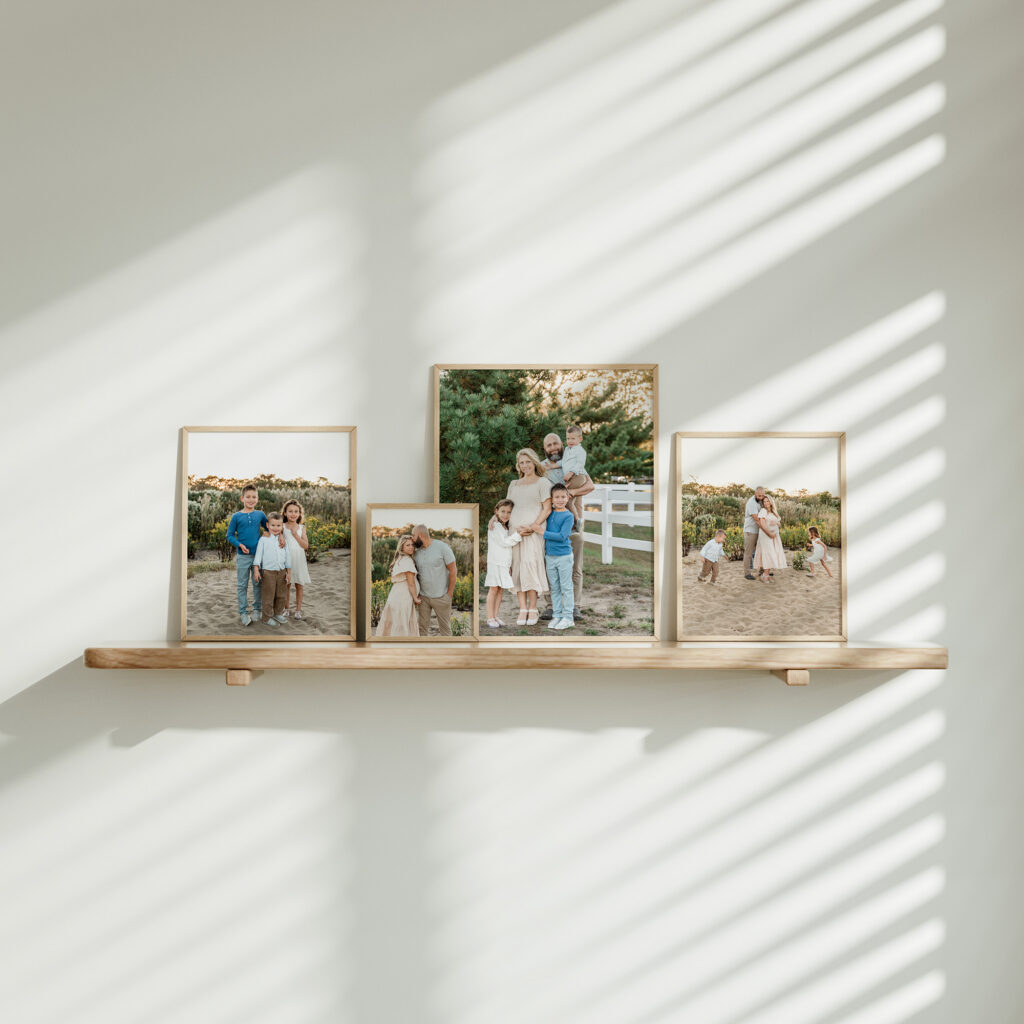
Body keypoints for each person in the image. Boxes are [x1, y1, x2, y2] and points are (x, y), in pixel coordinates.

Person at [540, 432, 595, 619]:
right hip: (550, 525)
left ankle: (575, 606)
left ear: (562, 444)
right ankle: (550, 605)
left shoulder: (573, 462)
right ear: (544, 449)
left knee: (575, 567)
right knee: (549, 565)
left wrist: (571, 492)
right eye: (549, 445)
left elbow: (590, 486)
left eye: (556, 443)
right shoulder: (542, 467)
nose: (553, 448)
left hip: (574, 523)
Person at [507, 448, 553, 626]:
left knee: (530, 566)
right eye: (521, 463)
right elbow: (507, 507)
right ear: (518, 466)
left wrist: (533, 527)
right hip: (515, 533)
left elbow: (546, 509)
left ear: (534, 462)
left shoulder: (542, 483)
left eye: (528, 462)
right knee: (517, 567)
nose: (525, 465)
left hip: (533, 532)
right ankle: (522, 609)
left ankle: (533, 608)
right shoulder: (514, 484)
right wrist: (496, 519)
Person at [227, 482, 269, 626]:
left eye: (254, 497)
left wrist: (279, 536)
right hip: (243, 557)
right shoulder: (236, 516)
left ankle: (257, 609)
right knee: (242, 585)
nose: (251, 500)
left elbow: (270, 528)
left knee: (258, 583)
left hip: (258, 557)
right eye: (248, 497)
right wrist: (239, 544)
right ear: (242, 499)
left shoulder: (260, 514)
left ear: (257, 499)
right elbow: (230, 535)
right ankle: (244, 612)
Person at [412, 524, 457, 636]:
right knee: (422, 629)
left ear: (420, 535)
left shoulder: (442, 547)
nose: (412, 539)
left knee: (445, 630)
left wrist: (449, 594)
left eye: (413, 535)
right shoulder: (416, 552)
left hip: (441, 596)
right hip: (424, 598)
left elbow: (453, 570)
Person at [485, 499, 522, 628]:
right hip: (495, 562)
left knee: (500, 590)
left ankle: (495, 615)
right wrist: (519, 534)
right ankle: (490, 617)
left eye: (509, 512)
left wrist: (509, 565)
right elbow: (504, 542)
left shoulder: (505, 526)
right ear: (496, 511)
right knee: (494, 588)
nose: (505, 515)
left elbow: (507, 549)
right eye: (502, 511)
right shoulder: (495, 525)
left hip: (504, 563)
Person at [544, 483, 576, 630]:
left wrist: (541, 532)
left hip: (564, 556)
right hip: (550, 557)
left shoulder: (568, 516)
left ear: (568, 497)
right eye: (557, 497)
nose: (560, 499)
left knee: (566, 587)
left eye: (563, 496)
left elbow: (562, 536)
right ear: (551, 499)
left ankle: (568, 617)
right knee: (555, 588)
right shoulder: (548, 513)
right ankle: (557, 615)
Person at [376, 535, 421, 636]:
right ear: (402, 547)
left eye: (412, 545)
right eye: (407, 545)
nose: (411, 547)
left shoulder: (400, 559)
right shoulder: (407, 561)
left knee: (395, 623)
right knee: (402, 624)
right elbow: (411, 583)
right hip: (403, 597)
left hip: (395, 595)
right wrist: (415, 598)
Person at [253, 513, 292, 624]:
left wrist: (288, 572)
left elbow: (287, 557)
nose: (276, 528)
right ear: (267, 525)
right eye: (273, 525)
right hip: (268, 572)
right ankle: (266, 617)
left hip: (281, 571)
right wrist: (256, 570)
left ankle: (278, 613)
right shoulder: (263, 540)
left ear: (282, 526)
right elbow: (258, 556)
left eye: (278, 525)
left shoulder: (283, 541)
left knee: (281, 595)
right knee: (268, 595)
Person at [281, 499, 311, 620]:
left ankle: (298, 610)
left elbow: (305, 545)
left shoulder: (301, 528)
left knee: (299, 585)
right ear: (285, 513)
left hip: (299, 560)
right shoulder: (282, 527)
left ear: (299, 514)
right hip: (286, 560)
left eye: (296, 511)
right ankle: (286, 609)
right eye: (290, 511)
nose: (293, 514)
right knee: (286, 585)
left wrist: (295, 535)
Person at [560, 425, 588, 529]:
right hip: (572, 477)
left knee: (568, 500)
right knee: (576, 502)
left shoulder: (580, 451)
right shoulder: (567, 449)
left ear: (580, 439)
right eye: (568, 438)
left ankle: (577, 521)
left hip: (577, 476)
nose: (570, 441)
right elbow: (563, 462)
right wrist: (553, 465)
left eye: (573, 438)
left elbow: (579, 464)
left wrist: (570, 473)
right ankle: (577, 522)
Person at [753, 494, 787, 582]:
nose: (766, 503)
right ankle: (765, 576)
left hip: (774, 537)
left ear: (771, 502)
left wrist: (775, 524)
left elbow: (779, 523)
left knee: (773, 553)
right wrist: (770, 534)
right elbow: (762, 525)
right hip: (766, 536)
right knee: (769, 554)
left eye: (767, 501)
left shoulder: (773, 512)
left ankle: (766, 575)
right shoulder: (763, 511)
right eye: (764, 501)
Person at [742, 486, 766, 581]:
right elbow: (756, 519)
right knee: (748, 552)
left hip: (758, 530)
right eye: (759, 495)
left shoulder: (761, 501)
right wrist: (766, 530)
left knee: (760, 551)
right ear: (755, 494)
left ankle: (762, 570)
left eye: (762, 495)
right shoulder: (751, 503)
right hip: (751, 531)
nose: (761, 497)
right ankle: (747, 573)